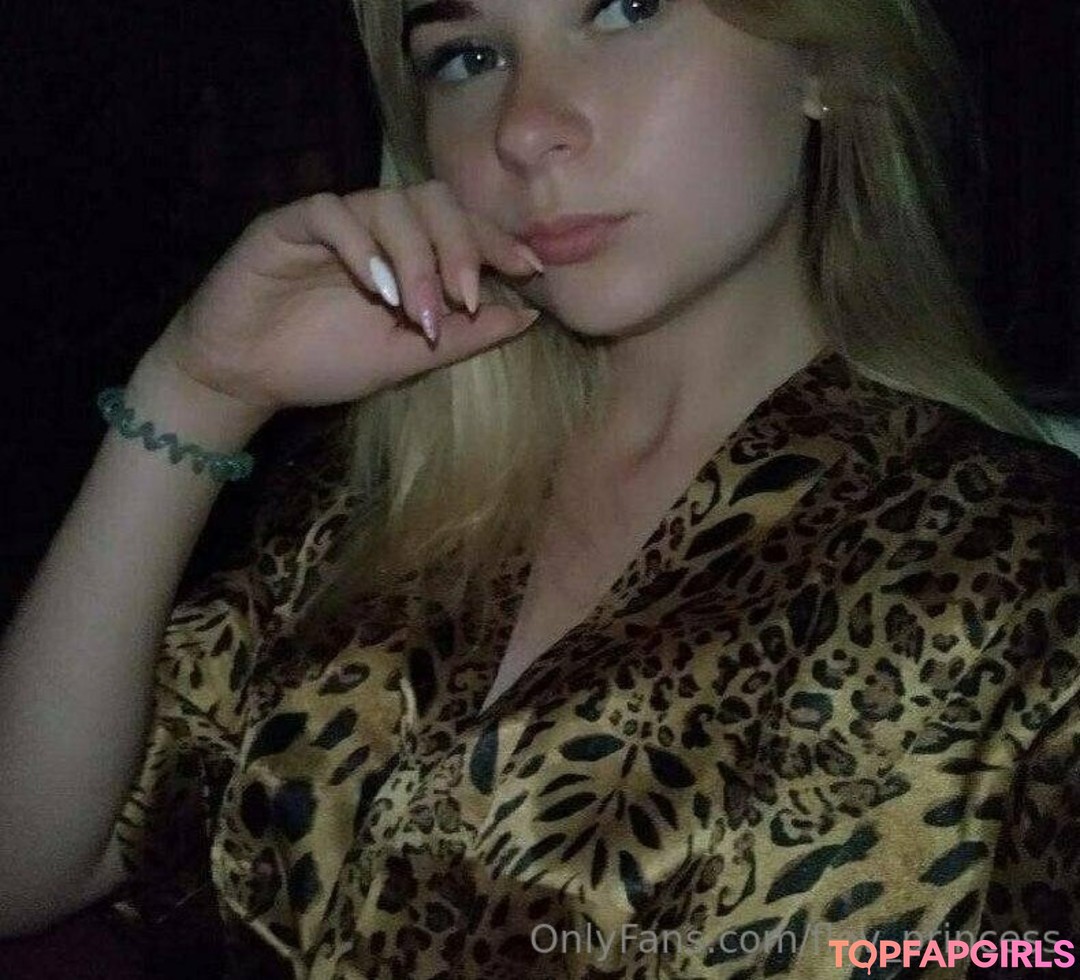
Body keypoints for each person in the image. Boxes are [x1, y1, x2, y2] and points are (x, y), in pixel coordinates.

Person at [1, 0, 1077, 976]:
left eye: (624, 10)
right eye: (468, 56)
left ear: (822, 60)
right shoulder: (377, 509)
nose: (524, 128)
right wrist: (198, 393)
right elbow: (23, 869)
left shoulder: (1016, 570)